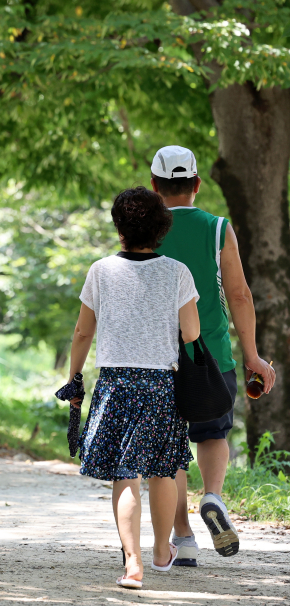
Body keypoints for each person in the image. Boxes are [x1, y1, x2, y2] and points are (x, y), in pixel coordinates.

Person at [65, 187, 200, 589]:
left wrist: (74, 377)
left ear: (119, 228)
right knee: (162, 471)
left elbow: (82, 332)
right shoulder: (177, 272)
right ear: (161, 228)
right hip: (161, 385)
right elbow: (191, 333)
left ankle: (133, 563)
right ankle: (161, 551)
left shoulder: (101, 271)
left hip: (115, 384)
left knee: (125, 475)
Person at [148, 146, 276, 563]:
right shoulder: (219, 228)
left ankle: (183, 537)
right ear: (197, 185)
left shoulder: (145, 228)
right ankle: (214, 496)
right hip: (212, 355)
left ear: (154, 186)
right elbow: (239, 295)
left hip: (157, 357)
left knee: (170, 448)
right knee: (213, 434)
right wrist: (253, 356)